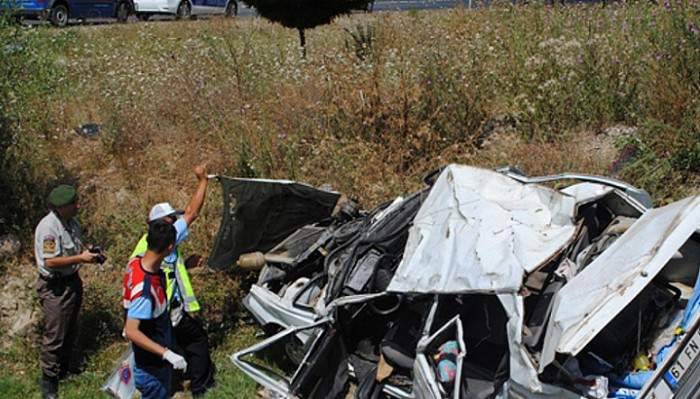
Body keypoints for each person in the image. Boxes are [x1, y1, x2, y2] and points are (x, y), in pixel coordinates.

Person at [129, 164, 215, 396]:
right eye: (170, 220)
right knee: (194, 341)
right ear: (162, 225)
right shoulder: (152, 259)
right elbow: (191, 213)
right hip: (161, 314)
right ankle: (200, 386)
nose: (175, 223)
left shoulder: (147, 249)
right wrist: (202, 181)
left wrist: (185, 265)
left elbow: (190, 213)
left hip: (161, 313)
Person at [34, 184, 100, 399]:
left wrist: (88, 254)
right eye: (73, 204)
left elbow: (74, 248)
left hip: (71, 280)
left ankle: (64, 369)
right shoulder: (49, 228)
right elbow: (51, 261)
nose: (77, 206)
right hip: (55, 286)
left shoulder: (72, 223)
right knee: (55, 334)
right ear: (61, 207)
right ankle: (49, 382)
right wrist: (80, 258)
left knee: (70, 328)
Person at [123, 220, 188, 399]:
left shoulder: (135, 263)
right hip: (152, 369)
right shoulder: (145, 291)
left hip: (149, 361)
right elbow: (132, 331)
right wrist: (166, 354)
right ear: (169, 248)